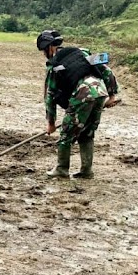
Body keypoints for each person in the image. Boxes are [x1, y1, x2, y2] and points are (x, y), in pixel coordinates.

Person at [36, 30, 120, 179]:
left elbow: (50, 96)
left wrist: (51, 123)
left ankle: (61, 169)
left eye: (44, 51)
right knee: (87, 133)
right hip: (100, 92)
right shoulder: (82, 52)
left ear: (49, 48)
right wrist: (112, 95)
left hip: (83, 94)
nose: (44, 54)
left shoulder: (54, 66)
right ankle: (86, 171)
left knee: (66, 134)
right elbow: (106, 69)